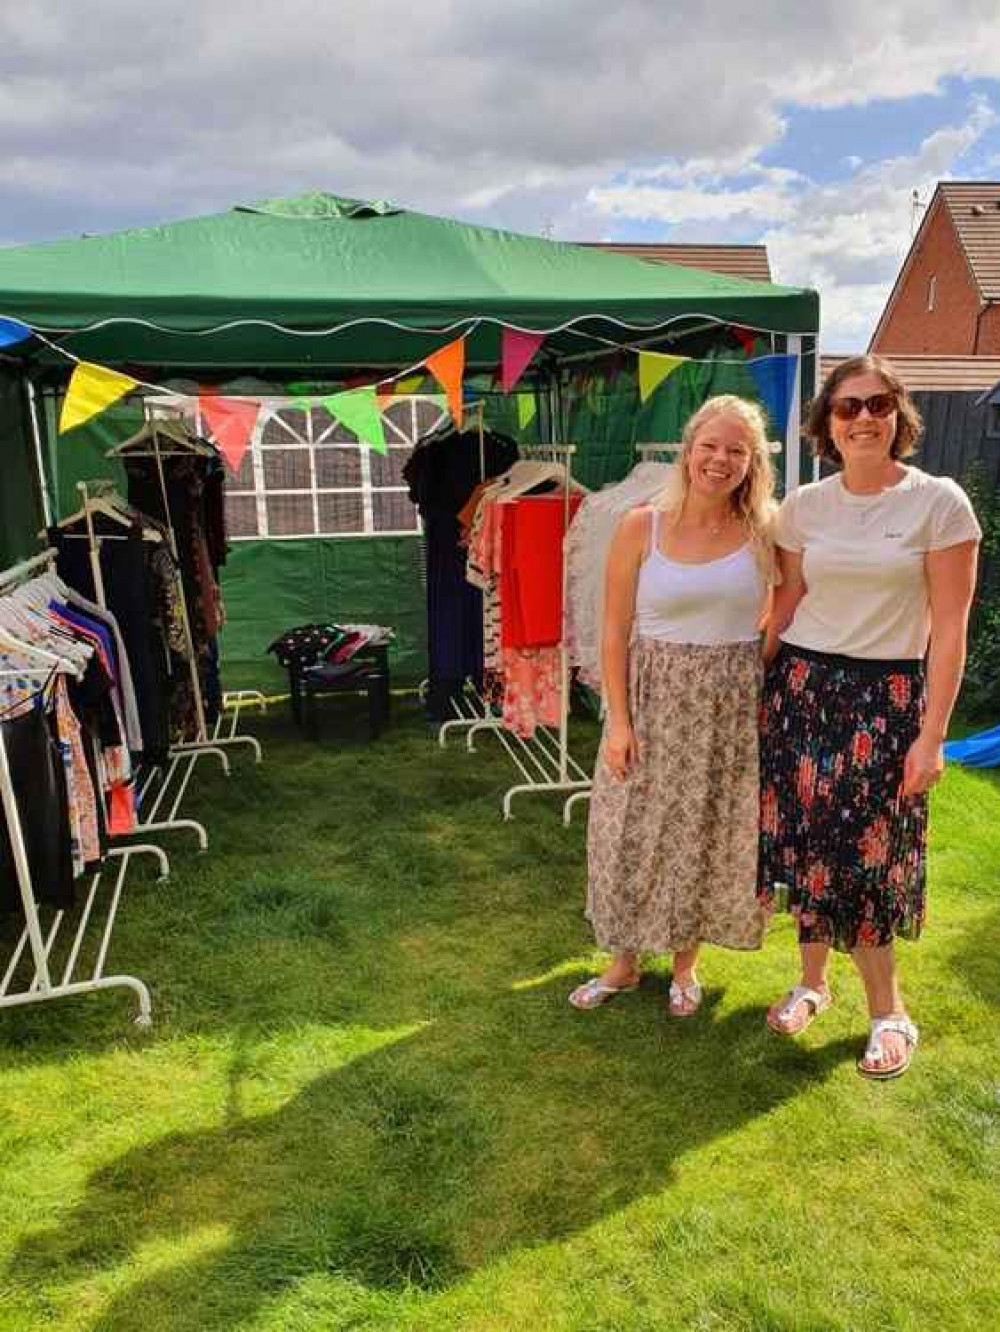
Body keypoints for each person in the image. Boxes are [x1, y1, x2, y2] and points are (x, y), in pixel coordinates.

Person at [759, 354, 981, 1079]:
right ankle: (813, 983)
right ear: (827, 420)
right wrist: (744, 681)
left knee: (867, 861)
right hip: (800, 690)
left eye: (878, 404)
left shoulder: (938, 503)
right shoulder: (804, 507)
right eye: (848, 406)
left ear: (900, 415)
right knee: (807, 849)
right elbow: (786, 604)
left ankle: (890, 1012)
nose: (863, 418)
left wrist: (933, 735)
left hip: (883, 702)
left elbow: (949, 630)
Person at [570, 395, 775, 1017]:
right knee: (628, 829)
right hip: (653, 698)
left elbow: (791, 605)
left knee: (705, 831)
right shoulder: (641, 524)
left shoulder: (768, 529)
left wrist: (752, 668)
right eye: (710, 446)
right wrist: (619, 720)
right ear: (687, 451)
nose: (721, 460)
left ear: (753, 461)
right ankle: (625, 963)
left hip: (728, 709)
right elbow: (613, 631)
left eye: (736, 450)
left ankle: (687, 964)